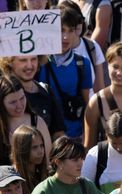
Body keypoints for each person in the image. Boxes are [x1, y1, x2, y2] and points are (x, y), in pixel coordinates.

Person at [0, 28, 66, 141]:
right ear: (9, 62)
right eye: (23, 60)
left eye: (33, 59)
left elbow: (58, 134)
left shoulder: (45, 90)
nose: (30, 65)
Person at [0, 75, 52, 178]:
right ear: (0, 104)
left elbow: (47, 164)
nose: (19, 106)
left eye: (22, 98)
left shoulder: (38, 122)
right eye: (13, 102)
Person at [36, 5, 93, 141]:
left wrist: (86, 136)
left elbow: (87, 103)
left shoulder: (82, 63)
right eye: (61, 31)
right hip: (45, 138)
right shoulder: (38, 63)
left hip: (74, 136)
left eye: (70, 30)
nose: (65, 37)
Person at [82, 111, 122, 194]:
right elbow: (85, 190)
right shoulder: (95, 154)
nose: (119, 148)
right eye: (114, 143)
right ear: (106, 136)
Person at [10, 125, 49, 194]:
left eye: (42, 145)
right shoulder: (12, 177)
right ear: (22, 149)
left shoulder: (45, 174)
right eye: (34, 147)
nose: (40, 151)